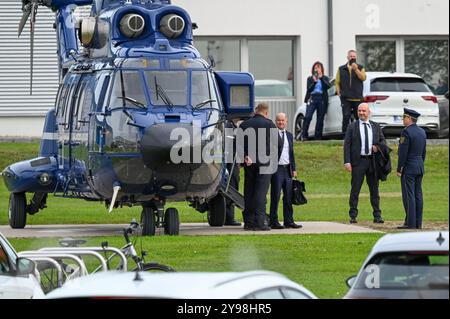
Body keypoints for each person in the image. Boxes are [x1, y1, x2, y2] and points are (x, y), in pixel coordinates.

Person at [343, 103, 386, 224]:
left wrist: (378, 147)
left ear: (369, 112)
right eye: (359, 111)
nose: (361, 113)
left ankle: (377, 215)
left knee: (374, 190)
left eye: (364, 111)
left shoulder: (375, 126)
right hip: (358, 162)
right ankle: (353, 215)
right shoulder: (352, 127)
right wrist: (347, 161)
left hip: (372, 162)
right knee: (355, 189)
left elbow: (383, 142)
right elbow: (347, 145)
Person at [239, 103, 277, 231]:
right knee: (261, 192)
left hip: (249, 162)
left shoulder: (244, 125)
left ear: (256, 111)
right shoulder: (270, 124)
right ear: (266, 112)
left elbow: (237, 143)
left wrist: (244, 157)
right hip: (265, 162)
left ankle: (249, 222)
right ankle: (260, 222)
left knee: (249, 191)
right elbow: (278, 143)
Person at [269, 113, 302, 229]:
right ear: (275, 121)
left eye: (283, 120)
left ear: (286, 121)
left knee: (288, 196)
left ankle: (289, 220)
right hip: (276, 169)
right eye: (278, 121)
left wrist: (294, 169)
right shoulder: (272, 135)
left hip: (287, 169)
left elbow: (291, 154)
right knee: (275, 196)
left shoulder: (289, 135)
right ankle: (273, 221)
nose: (281, 123)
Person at [397, 108, 427, 230]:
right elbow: (423, 152)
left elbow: (403, 153)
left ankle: (410, 223)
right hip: (419, 166)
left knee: (409, 195)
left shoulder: (406, 132)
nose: (403, 120)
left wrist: (399, 168)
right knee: (418, 194)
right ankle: (418, 222)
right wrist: (420, 163)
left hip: (409, 167)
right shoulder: (422, 132)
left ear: (409, 118)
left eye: (404, 117)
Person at [335, 50, 367, 135]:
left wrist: (356, 69)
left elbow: (363, 78)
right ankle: (344, 135)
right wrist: (338, 91)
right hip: (345, 97)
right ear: (347, 57)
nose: (352, 58)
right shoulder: (341, 68)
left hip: (357, 97)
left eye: (354, 56)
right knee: (346, 116)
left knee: (359, 117)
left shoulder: (360, 67)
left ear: (356, 57)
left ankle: (361, 134)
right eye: (351, 56)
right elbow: (337, 81)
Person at [302, 61, 331, 140]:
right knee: (308, 116)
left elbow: (328, 86)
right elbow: (309, 89)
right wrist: (314, 82)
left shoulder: (325, 78)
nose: (317, 69)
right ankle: (304, 135)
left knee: (320, 118)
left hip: (322, 99)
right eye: (315, 68)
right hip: (312, 98)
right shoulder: (310, 78)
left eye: (318, 68)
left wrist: (321, 78)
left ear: (321, 69)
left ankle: (318, 137)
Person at [224, 119, 242, 226]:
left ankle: (229, 216)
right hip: (231, 162)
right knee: (232, 188)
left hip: (233, 161)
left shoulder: (233, 126)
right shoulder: (230, 127)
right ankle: (229, 217)